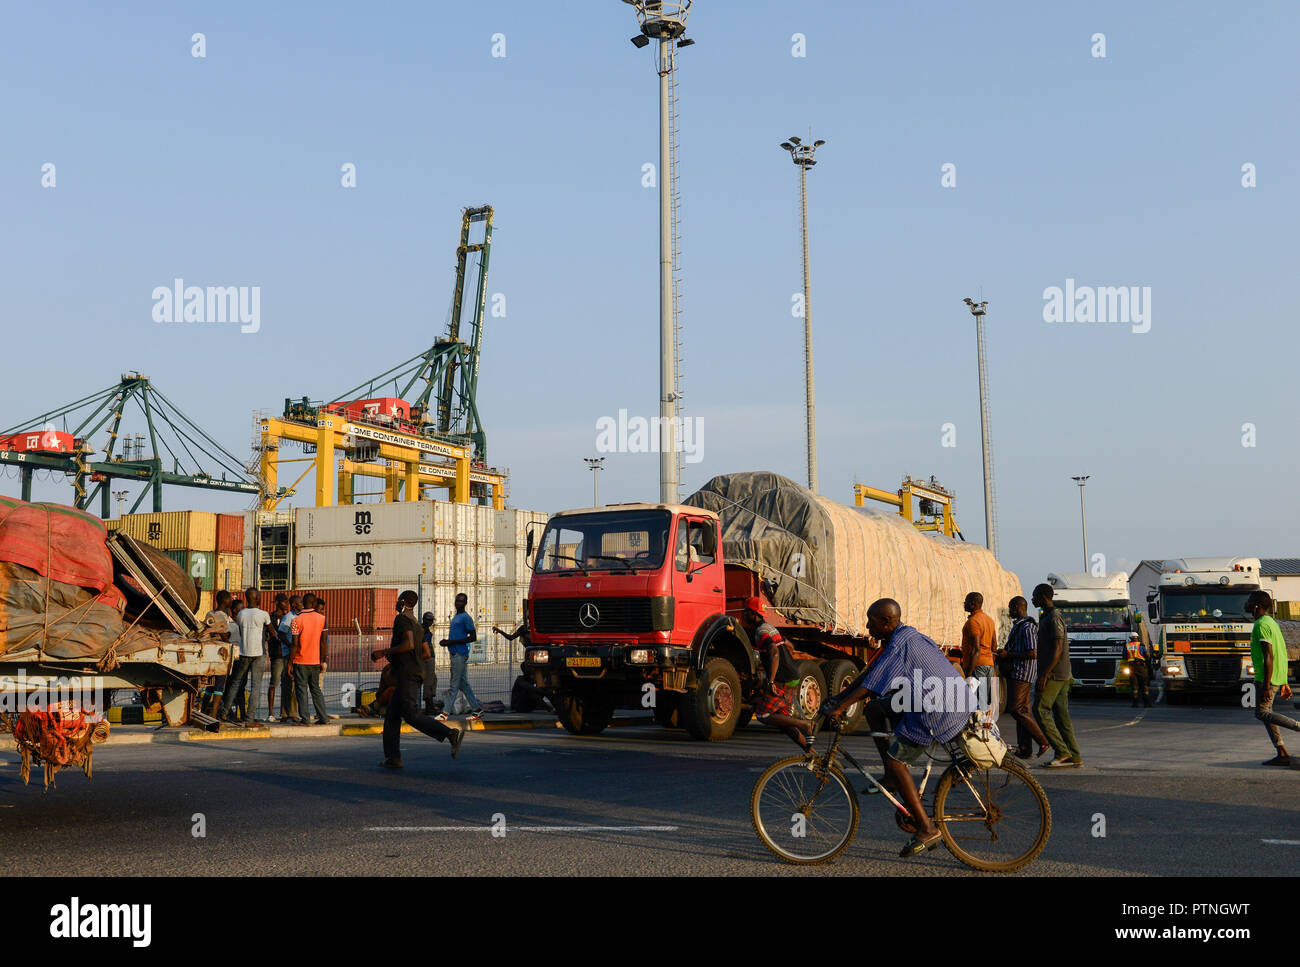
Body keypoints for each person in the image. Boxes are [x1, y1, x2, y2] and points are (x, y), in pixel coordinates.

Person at [824, 598, 974, 857]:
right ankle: (893, 777)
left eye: (871, 620)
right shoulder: (902, 637)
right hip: (938, 697)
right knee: (874, 709)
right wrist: (840, 697)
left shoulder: (899, 646)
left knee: (897, 760)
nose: (868, 625)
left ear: (886, 622)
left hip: (938, 708)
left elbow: (870, 686)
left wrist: (839, 708)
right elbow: (870, 675)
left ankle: (927, 828)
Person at [374, 590, 463, 767]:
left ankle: (449, 734)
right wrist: (411, 660)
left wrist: (384, 652)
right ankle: (393, 758)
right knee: (392, 716)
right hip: (413, 673)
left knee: (411, 714)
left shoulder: (402, 620)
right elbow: (426, 652)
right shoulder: (418, 625)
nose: (397, 602)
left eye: (399, 600)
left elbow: (409, 644)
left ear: (404, 602)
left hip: (408, 674)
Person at [738, 597, 814, 753]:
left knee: (763, 715)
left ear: (753, 613)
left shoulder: (761, 631)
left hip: (782, 680)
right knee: (784, 724)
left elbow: (774, 652)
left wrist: (771, 681)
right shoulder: (770, 627)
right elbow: (789, 646)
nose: (744, 615)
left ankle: (805, 724)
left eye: (746, 612)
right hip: (792, 676)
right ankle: (810, 752)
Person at [1246, 590, 1300, 766]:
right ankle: (1282, 753)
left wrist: (1267, 685)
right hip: (1275, 676)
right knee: (1266, 714)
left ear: (1256, 606)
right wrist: (1284, 681)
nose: (1246, 604)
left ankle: (1297, 727)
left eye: (1249, 601)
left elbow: (1269, 655)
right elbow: (1281, 652)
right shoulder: (1272, 622)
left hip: (1266, 677)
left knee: (1262, 712)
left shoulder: (1262, 624)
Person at [1032, 582, 1082, 768]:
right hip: (1060, 673)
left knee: (1040, 709)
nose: (1032, 599)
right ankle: (1074, 756)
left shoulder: (1054, 617)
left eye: (1035, 595)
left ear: (1044, 597)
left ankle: (1061, 751)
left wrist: (1044, 675)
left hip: (1054, 674)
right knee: (1061, 716)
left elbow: (1058, 648)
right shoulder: (1047, 617)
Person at [996, 596, 1049, 759]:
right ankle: (1025, 749)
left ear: (1019, 607)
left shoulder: (1027, 627)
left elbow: (1033, 653)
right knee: (1023, 710)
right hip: (1018, 672)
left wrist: (1008, 654)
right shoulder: (1019, 626)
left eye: (1011, 607)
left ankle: (1043, 741)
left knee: (1015, 709)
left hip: (1022, 674)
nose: (1010, 611)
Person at [220, 592, 270, 725]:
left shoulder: (241, 614)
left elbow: (242, 632)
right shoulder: (263, 614)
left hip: (244, 652)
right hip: (258, 653)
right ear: (257, 598)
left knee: (235, 683)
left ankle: (224, 713)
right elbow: (271, 631)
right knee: (255, 687)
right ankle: (249, 719)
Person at [436, 592, 483, 721]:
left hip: (459, 654)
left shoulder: (466, 618)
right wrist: (448, 642)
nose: (459, 603)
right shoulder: (457, 616)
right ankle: (477, 710)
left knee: (454, 684)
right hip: (455, 653)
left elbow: (473, 637)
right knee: (463, 684)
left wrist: (450, 642)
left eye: (462, 601)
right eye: (457, 601)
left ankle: (445, 713)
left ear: (466, 603)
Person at [290, 594, 331, 726]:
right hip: (315, 660)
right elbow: (323, 642)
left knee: (301, 690)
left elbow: (295, 644)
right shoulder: (322, 619)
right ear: (314, 604)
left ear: (303, 603)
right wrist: (322, 660)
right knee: (315, 689)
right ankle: (324, 717)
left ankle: (305, 719)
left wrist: (289, 663)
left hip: (301, 660)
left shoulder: (296, 620)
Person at [960, 591, 998, 711]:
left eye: (965, 602)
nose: (964, 604)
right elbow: (994, 646)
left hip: (977, 665)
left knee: (977, 702)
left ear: (972, 604)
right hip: (989, 665)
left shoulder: (973, 622)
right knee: (983, 699)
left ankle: (980, 728)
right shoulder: (989, 620)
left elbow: (976, 649)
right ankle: (983, 726)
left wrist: (969, 673)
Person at [275, 595, 302, 722]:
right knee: (287, 684)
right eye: (299, 602)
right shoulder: (289, 617)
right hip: (288, 655)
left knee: (295, 685)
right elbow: (281, 633)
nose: (302, 604)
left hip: (298, 655)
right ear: (294, 604)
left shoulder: (301, 616)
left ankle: (291, 713)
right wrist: (290, 645)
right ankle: (287, 714)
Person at [265, 594, 288, 722]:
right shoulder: (271, 617)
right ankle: (271, 712)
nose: (286, 604)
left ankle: (284, 713)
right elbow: (268, 634)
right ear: (278, 602)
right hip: (277, 654)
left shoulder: (288, 617)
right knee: (274, 683)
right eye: (284, 602)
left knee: (287, 684)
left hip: (287, 654)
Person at [1125, 632, 1152, 709]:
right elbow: (1146, 655)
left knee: (1134, 686)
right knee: (1144, 685)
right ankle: (1146, 703)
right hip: (1141, 667)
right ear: (1137, 638)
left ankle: (1135, 704)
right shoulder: (1141, 645)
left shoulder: (1127, 645)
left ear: (1130, 638)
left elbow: (1124, 656)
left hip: (1131, 667)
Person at [421, 612, 440, 714]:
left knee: (433, 680)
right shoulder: (422, 630)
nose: (431, 622)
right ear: (424, 619)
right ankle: (429, 707)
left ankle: (430, 704)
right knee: (429, 681)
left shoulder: (425, 629)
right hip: (427, 658)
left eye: (432, 620)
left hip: (429, 657)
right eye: (429, 620)